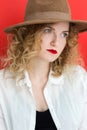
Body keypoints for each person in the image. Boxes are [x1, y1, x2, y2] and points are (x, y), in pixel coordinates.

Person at [0, 0, 87, 130]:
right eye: (47, 30)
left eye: (64, 34)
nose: (56, 42)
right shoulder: (3, 86)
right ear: (29, 33)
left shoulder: (78, 79)